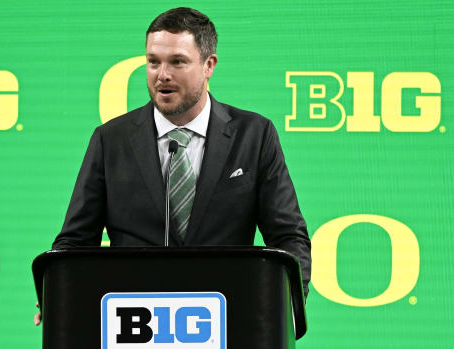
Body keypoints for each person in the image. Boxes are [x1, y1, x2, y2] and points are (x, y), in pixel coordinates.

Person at [35, 7, 310, 326]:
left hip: (230, 321)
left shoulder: (254, 135)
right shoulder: (110, 139)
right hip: (134, 325)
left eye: (177, 62)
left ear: (209, 65)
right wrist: (57, 294)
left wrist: (289, 303)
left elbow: (289, 235)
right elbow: (75, 242)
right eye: (153, 62)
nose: (162, 74)